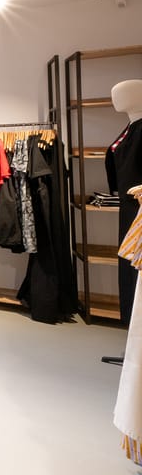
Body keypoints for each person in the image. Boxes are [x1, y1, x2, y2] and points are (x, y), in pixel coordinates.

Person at [108, 79, 142, 323]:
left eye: (123, 93)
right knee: (130, 269)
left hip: (139, 212)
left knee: (136, 269)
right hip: (128, 209)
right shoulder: (131, 126)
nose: (115, 97)